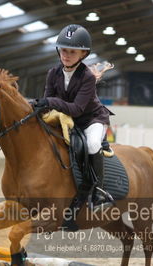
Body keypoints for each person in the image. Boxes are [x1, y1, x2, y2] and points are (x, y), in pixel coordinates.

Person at [35, 24, 113, 209]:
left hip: (91, 120)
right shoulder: (53, 73)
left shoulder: (87, 77)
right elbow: (48, 100)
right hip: (67, 119)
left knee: (92, 144)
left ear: (83, 54)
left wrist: (50, 103)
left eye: (72, 51)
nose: (66, 55)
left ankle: (97, 191)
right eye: (63, 50)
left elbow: (77, 109)